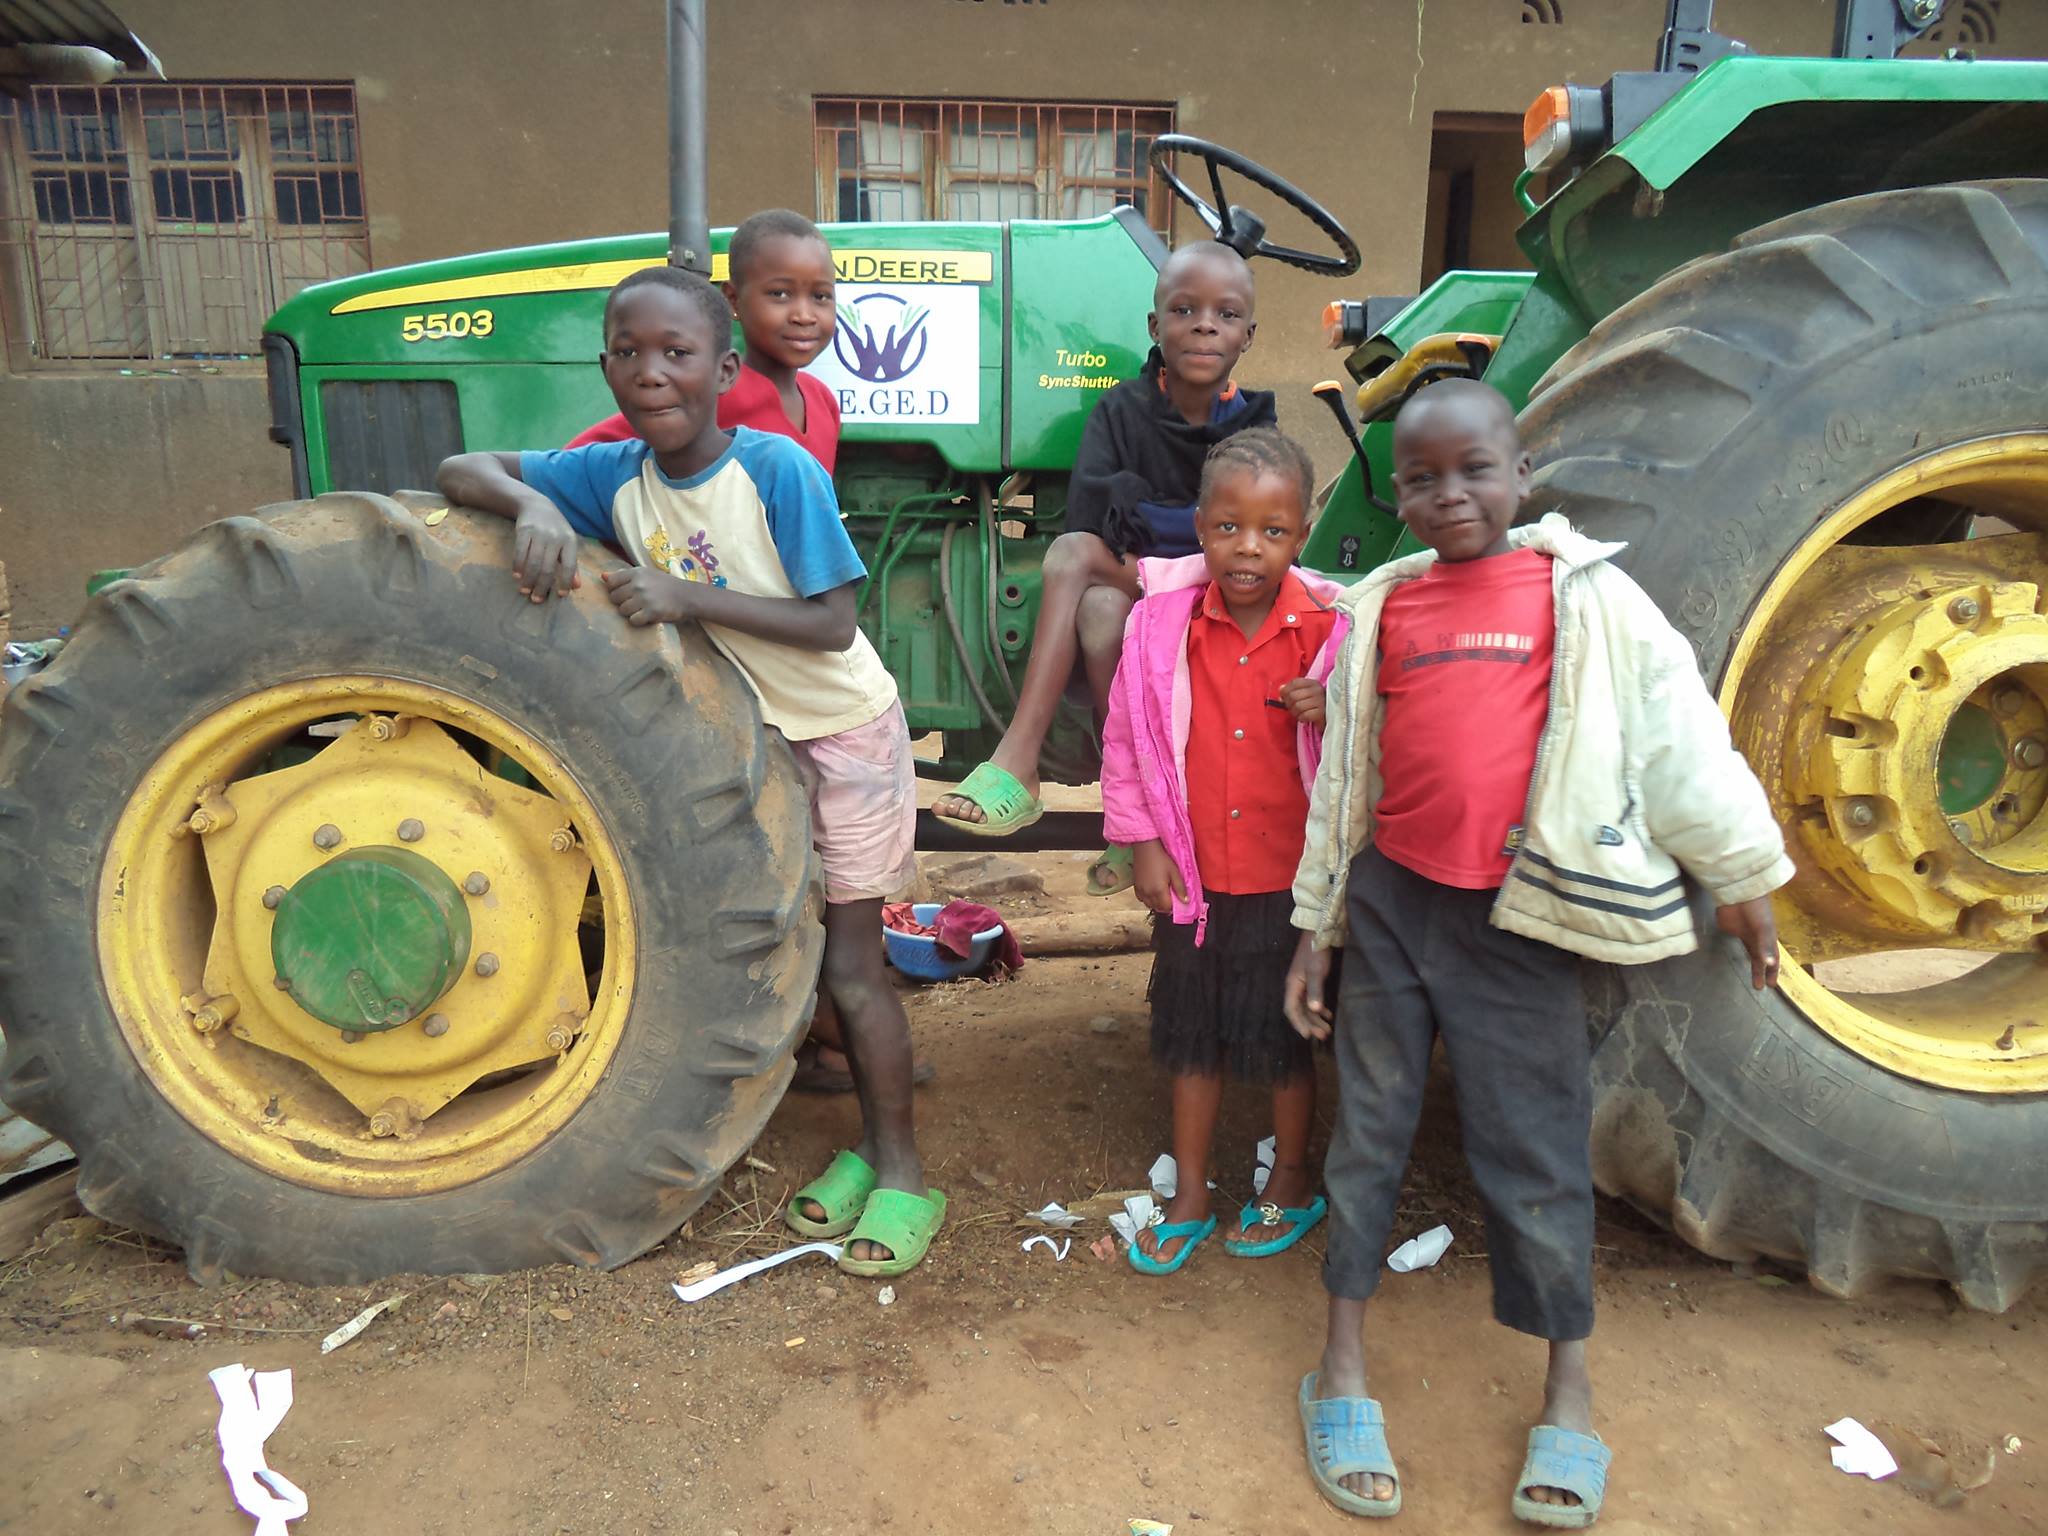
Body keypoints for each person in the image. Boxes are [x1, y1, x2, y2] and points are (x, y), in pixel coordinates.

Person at [1281, 379, 1792, 1525]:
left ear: (1521, 476)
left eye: (1474, 470)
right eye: (1421, 479)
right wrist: (1318, 924)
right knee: (1366, 1137)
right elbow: (1345, 785)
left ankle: (1568, 1392)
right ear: (1396, 497)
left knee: (1536, 1149)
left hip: (1515, 924)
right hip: (1391, 908)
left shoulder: (1589, 598)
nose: (1450, 494)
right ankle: (1340, 1366)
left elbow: (1676, 735)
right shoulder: (1381, 607)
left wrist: (1742, 871)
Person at [436, 265, 944, 1280]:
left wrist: (685, 597)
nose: (651, 373)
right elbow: (460, 466)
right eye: (628, 353)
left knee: (851, 965)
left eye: (676, 353)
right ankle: (862, 1142)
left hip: (844, 734)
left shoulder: (775, 470)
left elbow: (832, 623)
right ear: (606, 368)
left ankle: (900, 1168)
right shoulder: (611, 476)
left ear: (723, 369)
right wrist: (531, 506)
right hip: (758, 743)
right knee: (794, 945)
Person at [932, 240, 1277, 897]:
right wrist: (1191, 522)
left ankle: (1020, 758)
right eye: (1185, 310)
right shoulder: (1121, 410)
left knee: (1070, 556)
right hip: (1147, 579)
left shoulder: (1255, 423)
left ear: (1248, 335)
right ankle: (1134, 815)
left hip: (1223, 585)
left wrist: (1164, 521)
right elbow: (1094, 511)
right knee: (1096, 609)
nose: (1205, 325)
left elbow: (1245, 529)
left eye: (1226, 315)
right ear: (1155, 325)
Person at [1098, 428, 1344, 1275]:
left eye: (1273, 531)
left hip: (1288, 882)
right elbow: (1127, 737)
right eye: (1229, 527)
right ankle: (1193, 1192)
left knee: (1285, 1039)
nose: (1248, 548)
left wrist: (1334, 706)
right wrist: (1141, 841)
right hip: (1193, 877)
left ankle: (1291, 1181)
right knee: (1191, 1034)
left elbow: (1368, 747)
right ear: (1200, 528)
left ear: (1301, 535)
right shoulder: (1159, 625)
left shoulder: (1332, 633)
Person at [565, 208, 841, 468]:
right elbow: (577, 458)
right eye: (780, 294)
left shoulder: (823, 402)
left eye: (820, 296)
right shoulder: (713, 390)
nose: (804, 316)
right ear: (733, 299)